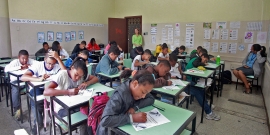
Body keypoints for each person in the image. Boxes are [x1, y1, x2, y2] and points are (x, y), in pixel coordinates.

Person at [43, 57, 99, 135]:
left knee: (92, 114)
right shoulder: (62, 74)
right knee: (84, 118)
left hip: (76, 105)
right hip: (62, 109)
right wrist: (68, 92)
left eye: (80, 77)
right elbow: (46, 91)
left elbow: (96, 78)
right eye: (76, 75)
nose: (77, 78)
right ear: (72, 68)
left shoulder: (81, 74)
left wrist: (87, 83)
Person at [96, 69, 155, 135]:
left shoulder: (138, 88)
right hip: (109, 132)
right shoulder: (119, 95)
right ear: (135, 83)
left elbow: (151, 99)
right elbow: (105, 120)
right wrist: (132, 118)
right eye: (143, 92)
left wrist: (134, 107)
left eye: (146, 93)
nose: (144, 96)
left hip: (123, 128)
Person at [20, 51, 65, 135]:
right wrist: (39, 79)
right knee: (37, 102)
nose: (50, 66)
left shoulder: (57, 66)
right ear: (44, 60)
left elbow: (65, 73)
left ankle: (55, 119)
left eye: (53, 64)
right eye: (48, 63)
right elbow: (23, 77)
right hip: (39, 88)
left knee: (60, 98)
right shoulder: (38, 66)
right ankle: (37, 123)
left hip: (51, 88)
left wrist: (58, 58)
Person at [185, 53, 221, 121]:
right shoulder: (196, 59)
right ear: (202, 57)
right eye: (205, 60)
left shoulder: (197, 59)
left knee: (202, 89)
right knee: (197, 92)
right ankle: (209, 113)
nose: (205, 62)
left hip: (191, 79)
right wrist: (203, 64)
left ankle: (207, 105)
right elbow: (195, 64)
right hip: (187, 80)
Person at [4, 50, 38, 121]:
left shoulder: (30, 61)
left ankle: (35, 108)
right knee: (15, 91)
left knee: (35, 87)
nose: (25, 60)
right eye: (23, 58)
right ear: (18, 57)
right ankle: (17, 110)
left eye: (26, 58)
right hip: (16, 81)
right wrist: (20, 67)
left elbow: (38, 64)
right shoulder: (14, 62)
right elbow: (6, 69)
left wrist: (30, 66)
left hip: (26, 81)